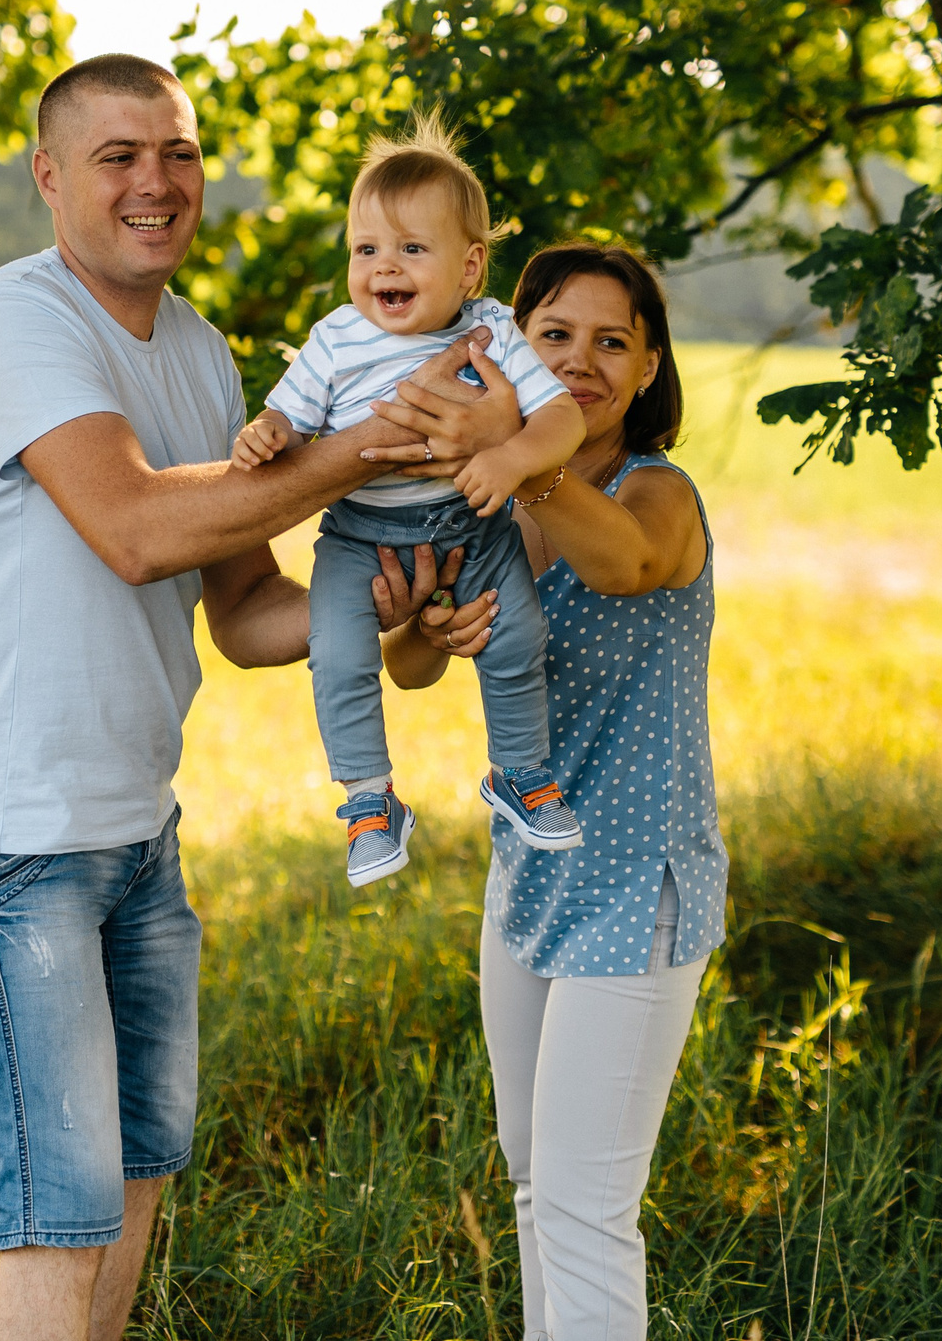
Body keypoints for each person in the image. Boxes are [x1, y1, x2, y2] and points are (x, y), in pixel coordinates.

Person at [0, 54, 520, 1341]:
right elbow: (131, 524)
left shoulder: (203, 354)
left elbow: (245, 613)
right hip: (14, 831)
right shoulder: (16, 322)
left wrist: (387, 597)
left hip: (134, 825)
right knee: (54, 1209)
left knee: (136, 1172)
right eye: (117, 155)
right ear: (50, 176)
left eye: (175, 152)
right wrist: (375, 443)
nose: (154, 181)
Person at [380, 242, 725, 1341]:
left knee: (584, 1207)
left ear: (646, 366)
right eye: (554, 335)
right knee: (536, 1181)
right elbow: (412, 664)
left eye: (610, 342)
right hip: (528, 871)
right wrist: (426, 622)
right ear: (512, 342)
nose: (581, 361)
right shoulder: (495, 509)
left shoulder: (655, 491)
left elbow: (624, 563)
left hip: (639, 885)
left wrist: (518, 454)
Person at [233, 112, 588, 887]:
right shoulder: (335, 337)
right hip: (360, 535)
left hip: (474, 522)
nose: (382, 267)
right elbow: (291, 416)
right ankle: (367, 800)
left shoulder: (492, 330)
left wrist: (513, 455)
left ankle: (521, 772)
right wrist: (266, 431)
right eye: (366, 250)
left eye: (410, 249)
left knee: (518, 637)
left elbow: (561, 413)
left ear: (468, 270)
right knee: (339, 653)